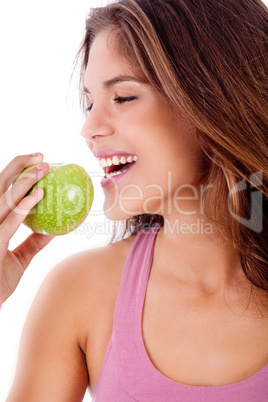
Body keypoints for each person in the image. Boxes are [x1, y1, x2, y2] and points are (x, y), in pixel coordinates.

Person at [1, 0, 267, 400]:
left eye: (123, 97)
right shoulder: (79, 292)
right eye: (90, 102)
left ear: (213, 102)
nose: (89, 128)